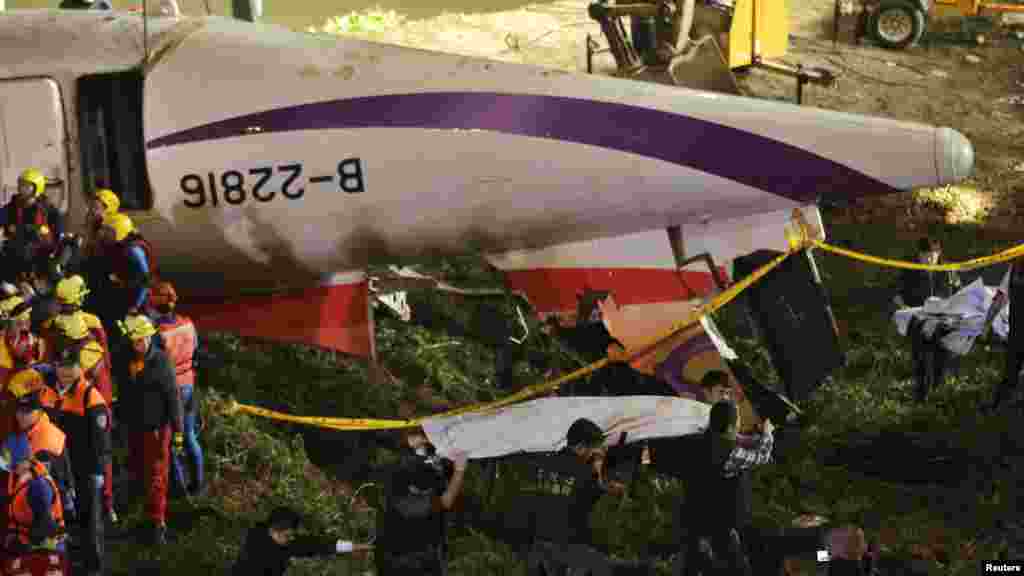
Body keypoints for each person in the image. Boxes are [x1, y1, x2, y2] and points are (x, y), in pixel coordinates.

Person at [41, 344, 110, 576]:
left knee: (89, 520)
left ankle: (93, 567)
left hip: (84, 469)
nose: (66, 372)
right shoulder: (46, 392)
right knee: (62, 519)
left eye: (71, 367)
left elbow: (101, 442)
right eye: (61, 366)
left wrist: (98, 472)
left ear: (80, 368)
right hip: (56, 469)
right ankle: (66, 565)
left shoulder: (91, 396)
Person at [115, 314, 181, 546]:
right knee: (137, 469)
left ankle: (157, 523)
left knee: (157, 476)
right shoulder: (125, 359)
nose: (140, 345)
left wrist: (178, 429)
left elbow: (173, 397)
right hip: (134, 426)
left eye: (143, 340)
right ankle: (140, 513)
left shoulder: (161, 362)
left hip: (157, 428)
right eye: (135, 341)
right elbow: (123, 391)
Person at [375, 427, 468, 575]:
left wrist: (425, 441)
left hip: (399, 557)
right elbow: (445, 502)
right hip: (411, 561)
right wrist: (459, 471)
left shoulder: (400, 471)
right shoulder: (408, 502)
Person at [50, 314, 115, 523]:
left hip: (90, 412)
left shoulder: (85, 357)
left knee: (96, 459)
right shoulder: (91, 348)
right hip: (87, 411)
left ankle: (103, 505)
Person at [147, 281, 203, 497]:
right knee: (189, 436)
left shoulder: (158, 333)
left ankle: (178, 487)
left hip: (170, 389)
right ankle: (197, 484)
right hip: (188, 383)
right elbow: (195, 348)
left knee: (169, 440)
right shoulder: (188, 324)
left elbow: (154, 362)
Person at [5, 369, 76, 519]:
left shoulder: (44, 441)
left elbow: (42, 492)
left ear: (37, 410)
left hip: (44, 518)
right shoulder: (33, 430)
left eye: (25, 412)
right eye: (18, 411)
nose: (19, 417)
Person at [230, 506, 372, 576]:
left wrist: (351, 546)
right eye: (288, 535)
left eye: (292, 535)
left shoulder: (283, 542)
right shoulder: (255, 553)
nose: (291, 539)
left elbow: (315, 545)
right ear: (275, 530)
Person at [1, 435, 69, 576]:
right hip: (26, 544)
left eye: (6, 458)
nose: (5, 464)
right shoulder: (21, 477)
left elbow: (45, 528)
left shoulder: (38, 486)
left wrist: (23, 544)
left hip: (44, 551)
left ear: (19, 458)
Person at [0, 169, 63, 284]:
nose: (21, 188)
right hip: (13, 257)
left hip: (39, 259)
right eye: (20, 184)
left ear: (36, 188)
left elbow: (56, 236)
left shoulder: (48, 210)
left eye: (26, 185)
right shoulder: (11, 207)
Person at [984, 257, 1024, 410]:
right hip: (1017, 334)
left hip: (1017, 333)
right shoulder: (1014, 269)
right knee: (1010, 376)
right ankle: (998, 408)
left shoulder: (1015, 269)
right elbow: (1000, 299)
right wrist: (987, 324)